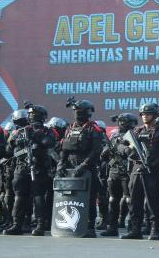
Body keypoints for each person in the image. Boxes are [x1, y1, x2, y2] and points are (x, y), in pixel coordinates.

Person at [120, 103, 159, 240]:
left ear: (155, 115)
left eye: (147, 114)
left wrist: (153, 164)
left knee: (152, 202)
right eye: (142, 114)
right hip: (136, 169)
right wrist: (128, 151)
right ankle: (135, 229)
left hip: (151, 171)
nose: (144, 116)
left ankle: (155, 230)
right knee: (134, 201)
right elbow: (121, 145)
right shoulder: (136, 131)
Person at [3, 102, 56, 236]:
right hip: (21, 168)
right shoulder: (20, 131)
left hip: (39, 168)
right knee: (19, 197)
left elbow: (48, 143)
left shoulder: (47, 131)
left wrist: (36, 135)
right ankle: (17, 225)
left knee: (38, 197)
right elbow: (8, 150)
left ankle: (40, 225)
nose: (31, 118)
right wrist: (15, 140)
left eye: (32, 115)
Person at [56, 98, 102, 238]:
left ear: (87, 112)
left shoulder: (93, 128)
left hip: (87, 168)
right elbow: (64, 148)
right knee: (71, 197)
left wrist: (84, 165)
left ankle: (90, 226)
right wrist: (61, 164)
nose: (77, 114)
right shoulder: (70, 127)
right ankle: (72, 224)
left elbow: (96, 150)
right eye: (75, 111)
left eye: (80, 111)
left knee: (89, 198)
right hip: (70, 168)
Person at [100, 113, 138, 236]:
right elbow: (106, 154)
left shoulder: (134, 136)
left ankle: (132, 227)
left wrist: (124, 148)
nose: (121, 124)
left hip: (128, 171)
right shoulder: (114, 136)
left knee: (129, 199)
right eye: (120, 122)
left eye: (124, 122)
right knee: (112, 199)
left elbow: (134, 153)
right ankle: (112, 227)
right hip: (114, 170)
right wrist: (106, 152)